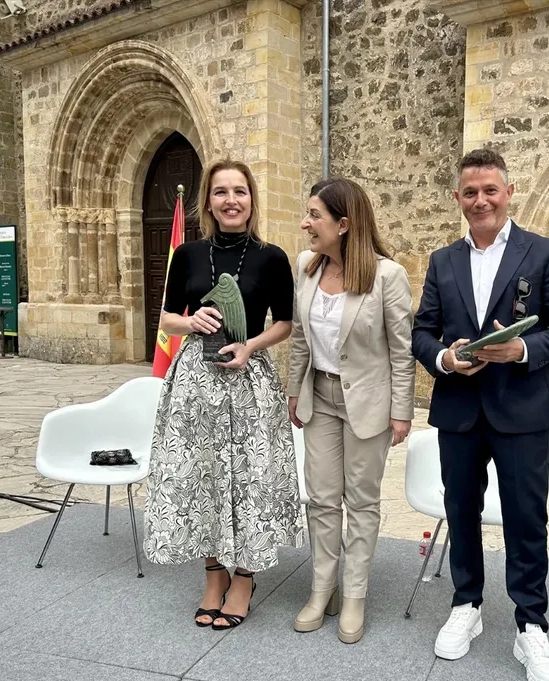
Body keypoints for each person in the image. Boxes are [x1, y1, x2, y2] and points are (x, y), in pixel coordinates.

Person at [411, 148, 549, 681]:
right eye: (470, 192)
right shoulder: (443, 261)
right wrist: (445, 358)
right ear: (458, 198)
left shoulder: (544, 252)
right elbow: (422, 332)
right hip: (459, 409)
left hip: (522, 408)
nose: (481, 200)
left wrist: (522, 350)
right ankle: (466, 604)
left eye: (490, 190)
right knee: (460, 511)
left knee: (526, 519)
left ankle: (531, 625)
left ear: (509, 192)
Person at [144, 158, 303, 630]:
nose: (231, 200)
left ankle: (245, 579)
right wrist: (190, 321)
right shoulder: (188, 254)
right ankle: (214, 576)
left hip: (248, 378)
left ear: (252, 200)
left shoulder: (272, 257)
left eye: (240, 191)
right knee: (203, 477)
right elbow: (166, 318)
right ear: (208, 203)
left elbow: (286, 323)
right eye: (221, 192)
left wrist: (251, 346)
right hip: (196, 382)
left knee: (250, 477)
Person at [287, 177, 416, 644]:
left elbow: (401, 351)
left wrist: (401, 411)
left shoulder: (387, 276)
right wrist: (293, 391)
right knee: (322, 498)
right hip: (318, 398)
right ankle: (323, 589)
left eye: (314, 216)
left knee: (361, 501)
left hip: (368, 404)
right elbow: (299, 337)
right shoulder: (305, 267)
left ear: (343, 224)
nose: (305, 224)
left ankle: (355, 595)